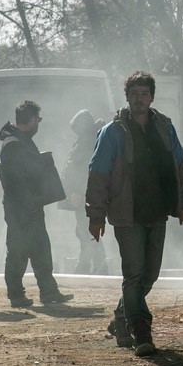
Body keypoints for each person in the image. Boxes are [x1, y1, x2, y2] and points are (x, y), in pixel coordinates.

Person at [86, 71, 183, 357]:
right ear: (127, 97)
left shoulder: (164, 126)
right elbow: (98, 173)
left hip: (156, 210)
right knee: (133, 274)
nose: (139, 98)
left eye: (144, 93)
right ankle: (141, 330)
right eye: (134, 93)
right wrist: (96, 215)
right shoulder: (113, 131)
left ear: (152, 97)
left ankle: (122, 318)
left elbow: (178, 165)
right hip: (126, 212)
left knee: (150, 274)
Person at [0, 100, 72, 308]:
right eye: (37, 119)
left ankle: (49, 291)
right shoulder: (13, 143)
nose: (38, 123)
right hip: (20, 208)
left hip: (31, 205)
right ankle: (16, 295)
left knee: (41, 250)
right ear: (31, 120)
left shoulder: (22, 141)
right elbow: (18, 179)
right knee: (18, 252)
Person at [62, 108, 108, 274]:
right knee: (84, 229)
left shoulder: (88, 142)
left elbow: (85, 170)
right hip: (88, 195)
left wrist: (78, 191)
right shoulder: (89, 139)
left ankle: (95, 265)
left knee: (86, 229)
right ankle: (90, 263)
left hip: (85, 195)